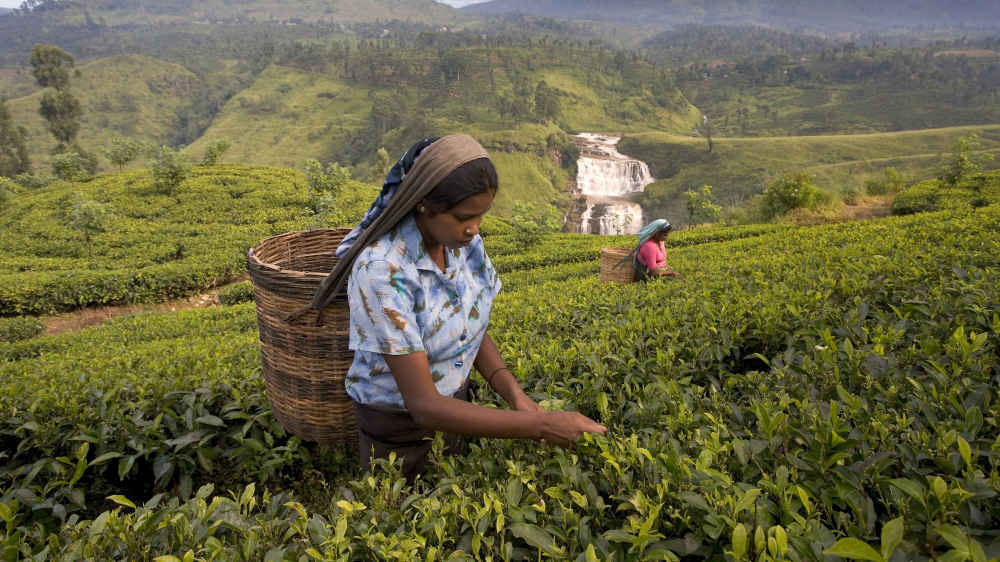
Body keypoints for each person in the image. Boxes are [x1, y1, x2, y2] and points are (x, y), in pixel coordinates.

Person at [317, 134, 606, 479]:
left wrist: (516, 396)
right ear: (424, 203)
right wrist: (541, 424)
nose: (474, 229)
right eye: (464, 217)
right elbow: (423, 406)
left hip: (456, 407)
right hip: (399, 426)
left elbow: (470, 324)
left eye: (481, 216)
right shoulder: (383, 269)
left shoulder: (463, 244)